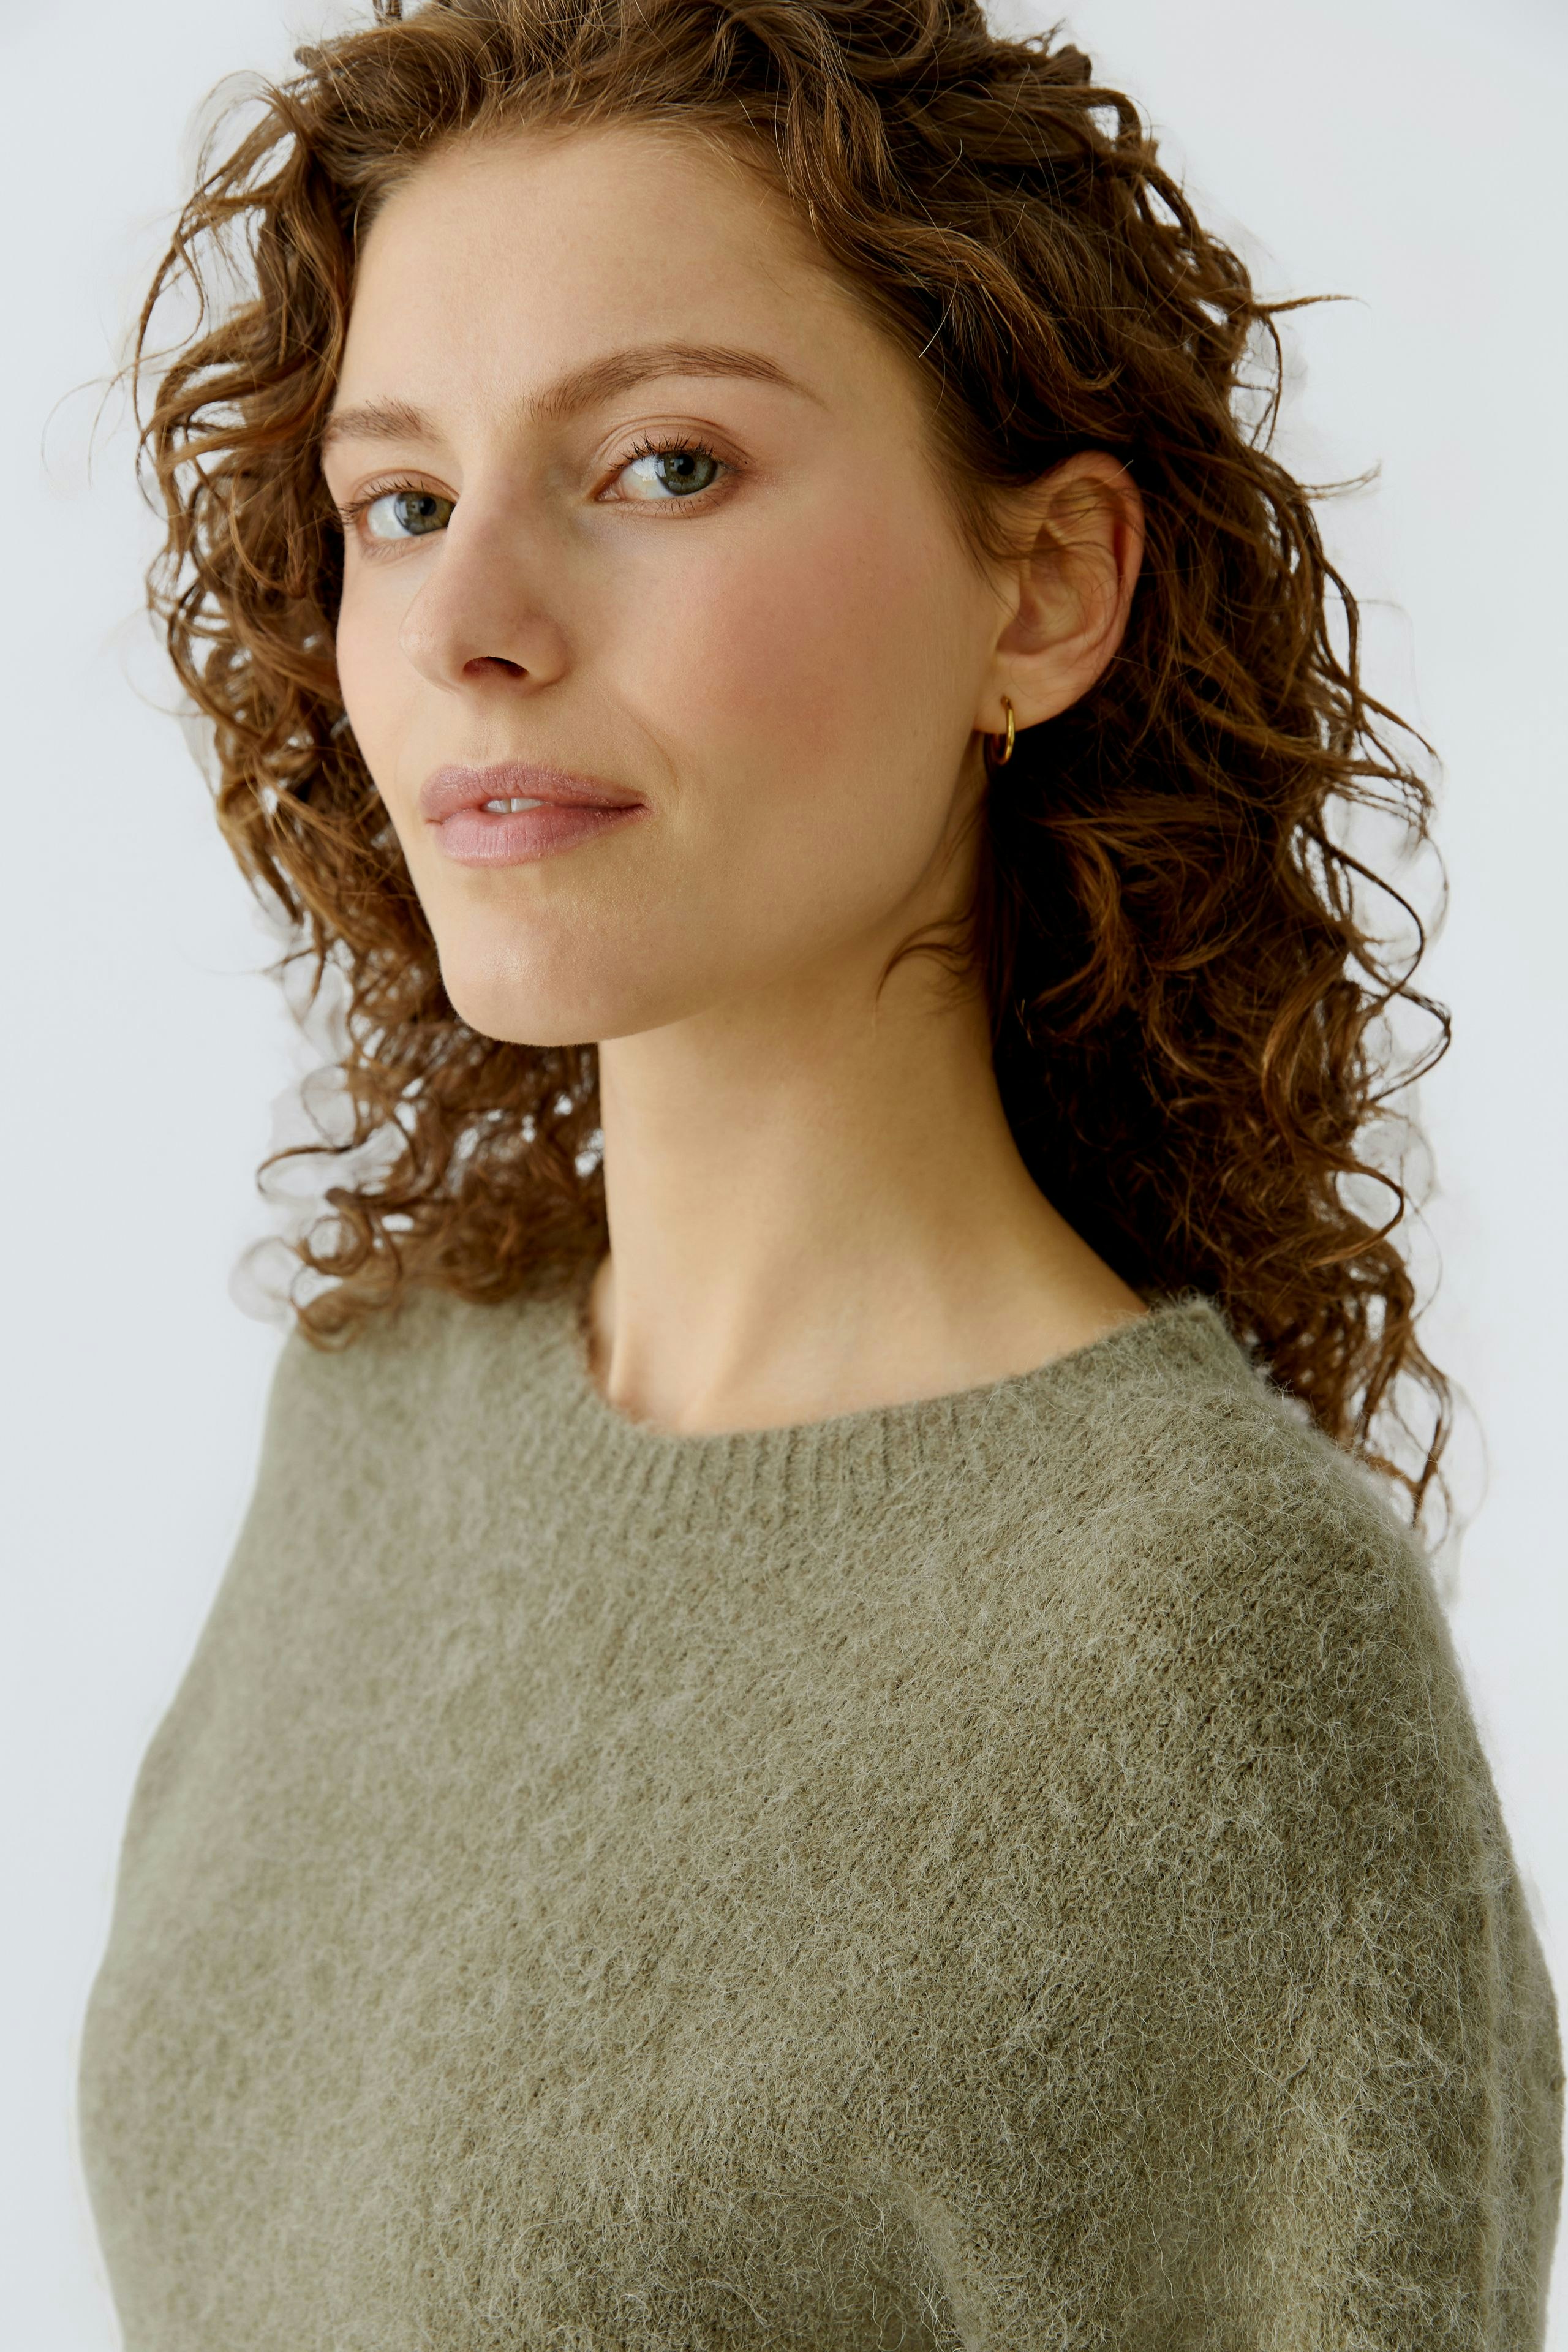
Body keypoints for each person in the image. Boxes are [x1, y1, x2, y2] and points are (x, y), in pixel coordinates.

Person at [77, 0, 1563, 2343]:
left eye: (663, 467)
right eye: (404, 501)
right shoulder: (382, 1412)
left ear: (1045, 592)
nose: (471, 626)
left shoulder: (1201, 1644)